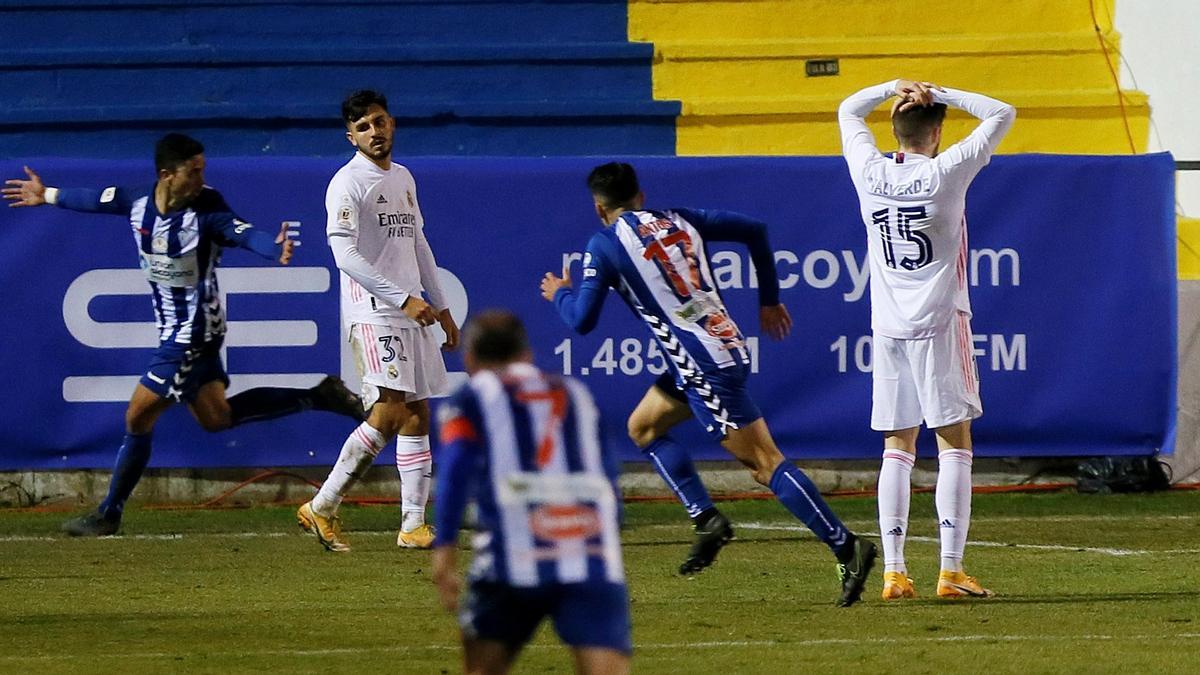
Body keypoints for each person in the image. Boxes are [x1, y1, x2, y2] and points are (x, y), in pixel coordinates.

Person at [540, 162, 877, 607]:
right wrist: (770, 299)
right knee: (643, 428)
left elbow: (581, 320)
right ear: (640, 195)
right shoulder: (681, 218)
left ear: (599, 207)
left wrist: (559, 292)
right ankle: (706, 520)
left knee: (764, 464)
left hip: (703, 364)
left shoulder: (603, 245)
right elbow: (755, 229)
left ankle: (847, 547)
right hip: (717, 347)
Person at [2, 133, 365, 536]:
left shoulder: (207, 210)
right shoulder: (137, 202)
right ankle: (320, 395)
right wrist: (46, 194)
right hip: (176, 330)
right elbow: (94, 199)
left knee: (137, 413)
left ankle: (109, 512)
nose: (201, 179)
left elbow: (242, 232)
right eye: (194, 172)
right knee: (216, 418)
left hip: (192, 333)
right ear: (166, 175)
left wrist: (271, 247)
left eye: (202, 170)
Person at [837, 78, 1015, 599]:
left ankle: (894, 571)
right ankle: (951, 570)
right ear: (936, 133)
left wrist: (896, 85)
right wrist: (944, 92)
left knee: (897, 445)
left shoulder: (868, 170)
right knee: (954, 443)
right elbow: (1001, 109)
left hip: (888, 325)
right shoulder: (945, 172)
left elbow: (849, 107)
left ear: (894, 131)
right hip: (941, 321)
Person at [297, 90, 460, 552]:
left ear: (393, 123)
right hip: (374, 313)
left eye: (380, 122)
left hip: (411, 312)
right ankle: (322, 505)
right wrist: (403, 298)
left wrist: (442, 306)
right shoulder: (347, 183)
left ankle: (412, 526)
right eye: (364, 126)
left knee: (417, 413)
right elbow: (344, 254)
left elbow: (419, 245)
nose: (375, 132)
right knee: (391, 410)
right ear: (351, 136)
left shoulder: (404, 179)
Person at [431, 310, 630, 675]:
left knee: (482, 667)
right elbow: (607, 472)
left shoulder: (470, 397)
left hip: (510, 555)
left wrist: (444, 547)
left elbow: (456, 465)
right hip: (588, 550)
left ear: (470, 358)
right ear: (527, 355)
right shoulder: (578, 393)